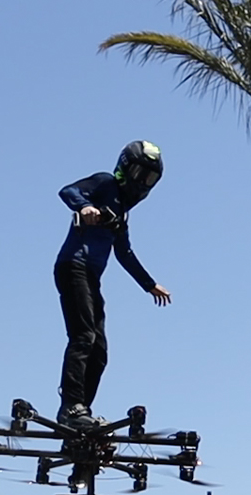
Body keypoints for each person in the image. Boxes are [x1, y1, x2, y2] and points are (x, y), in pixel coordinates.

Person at [54, 140, 171, 427]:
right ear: (125, 169)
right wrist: (85, 207)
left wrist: (149, 284)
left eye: (149, 178)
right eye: (140, 174)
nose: (143, 183)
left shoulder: (122, 214)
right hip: (73, 267)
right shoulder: (105, 183)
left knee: (100, 351)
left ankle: (82, 411)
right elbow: (68, 191)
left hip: (90, 278)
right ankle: (70, 408)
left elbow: (124, 252)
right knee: (83, 337)